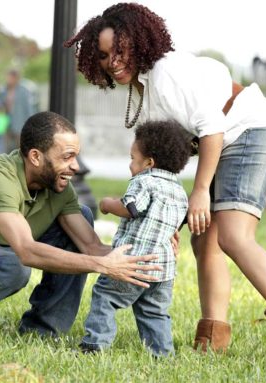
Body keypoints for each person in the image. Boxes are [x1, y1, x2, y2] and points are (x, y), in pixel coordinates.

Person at [65, 3, 266, 364]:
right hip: (232, 142)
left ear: (138, 41)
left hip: (254, 134)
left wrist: (201, 191)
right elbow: (166, 161)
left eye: (119, 50)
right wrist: (165, 219)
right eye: (105, 56)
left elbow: (212, 129)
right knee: (205, 239)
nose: (113, 61)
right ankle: (212, 338)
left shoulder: (166, 73)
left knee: (234, 236)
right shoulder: (145, 87)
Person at [0, 111, 163, 334]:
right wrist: (102, 266)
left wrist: (149, 254)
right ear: (36, 157)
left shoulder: (59, 189)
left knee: (81, 216)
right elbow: (26, 251)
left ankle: (43, 330)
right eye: (67, 156)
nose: (75, 167)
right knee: (14, 266)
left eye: (76, 156)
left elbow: (92, 247)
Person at [80, 121, 190, 356]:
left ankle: (95, 345)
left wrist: (108, 204)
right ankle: (162, 353)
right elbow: (177, 224)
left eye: (132, 158)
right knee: (154, 311)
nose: (130, 164)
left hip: (132, 263)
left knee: (105, 297)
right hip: (163, 270)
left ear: (149, 163)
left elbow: (132, 208)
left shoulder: (144, 181)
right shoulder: (179, 190)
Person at [0, 69, 35, 152]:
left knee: (20, 146)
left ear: (16, 78)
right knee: (6, 147)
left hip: (20, 123)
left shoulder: (23, 92)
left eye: (10, 78)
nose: (8, 80)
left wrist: (30, 124)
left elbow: (29, 109)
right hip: (6, 123)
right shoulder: (3, 91)